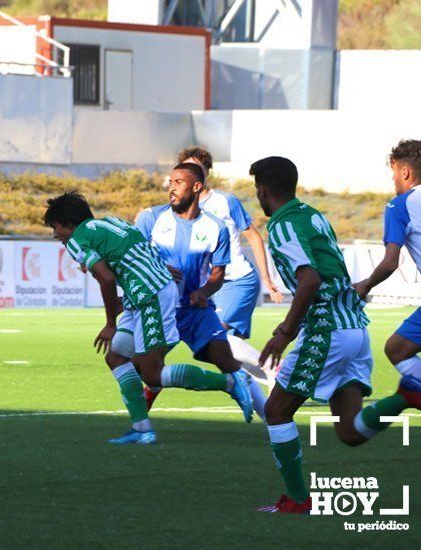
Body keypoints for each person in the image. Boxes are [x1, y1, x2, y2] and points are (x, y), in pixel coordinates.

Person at [44, 192, 252, 444]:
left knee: (152, 374)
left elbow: (107, 278)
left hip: (149, 297)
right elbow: (138, 248)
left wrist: (110, 324)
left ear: (67, 222)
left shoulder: (77, 239)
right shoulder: (113, 222)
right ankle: (142, 429)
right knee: (116, 357)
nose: (55, 235)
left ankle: (229, 382)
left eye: (55, 227)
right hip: (144, 295)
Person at [251, 156, 379, 514]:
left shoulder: (283, 225)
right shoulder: (313, 215)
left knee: (276, 411)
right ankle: (408, 397)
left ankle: (297, 500)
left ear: (262, 190)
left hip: (327, 330)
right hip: (355, 327)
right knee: (351, 431)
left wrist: (284, 331)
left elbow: (309, 280)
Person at [135, 163, 258, 421]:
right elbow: (133, 258)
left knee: (226, 360)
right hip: (160, 310)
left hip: (196, 310)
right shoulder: (151, 218)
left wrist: (204, 291)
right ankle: (140, 428)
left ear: (197, 186)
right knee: (145, 369)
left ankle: (272, 419)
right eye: (170, 182)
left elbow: (218, 275)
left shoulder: (216, 228)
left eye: (178, 182)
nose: (172, 188)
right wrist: (158, 268)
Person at [352, 139, 421, 439]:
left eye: (394, 173)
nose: (393, 180)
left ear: (406, 173)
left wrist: (364, 285)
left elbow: (390, 262)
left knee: (397, 348)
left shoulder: (400, 205)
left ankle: (415, 392)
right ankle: (411, 393)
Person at [176, 146, 284, 340]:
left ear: (207, 171)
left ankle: (273, 368)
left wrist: (267, 279)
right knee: (230, 348)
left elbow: (253, 236)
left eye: (198, 168)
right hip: (208, 286)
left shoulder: (226, 201)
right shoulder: (179, 209)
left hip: (238, 279)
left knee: (214, 333)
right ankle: (265, 370)